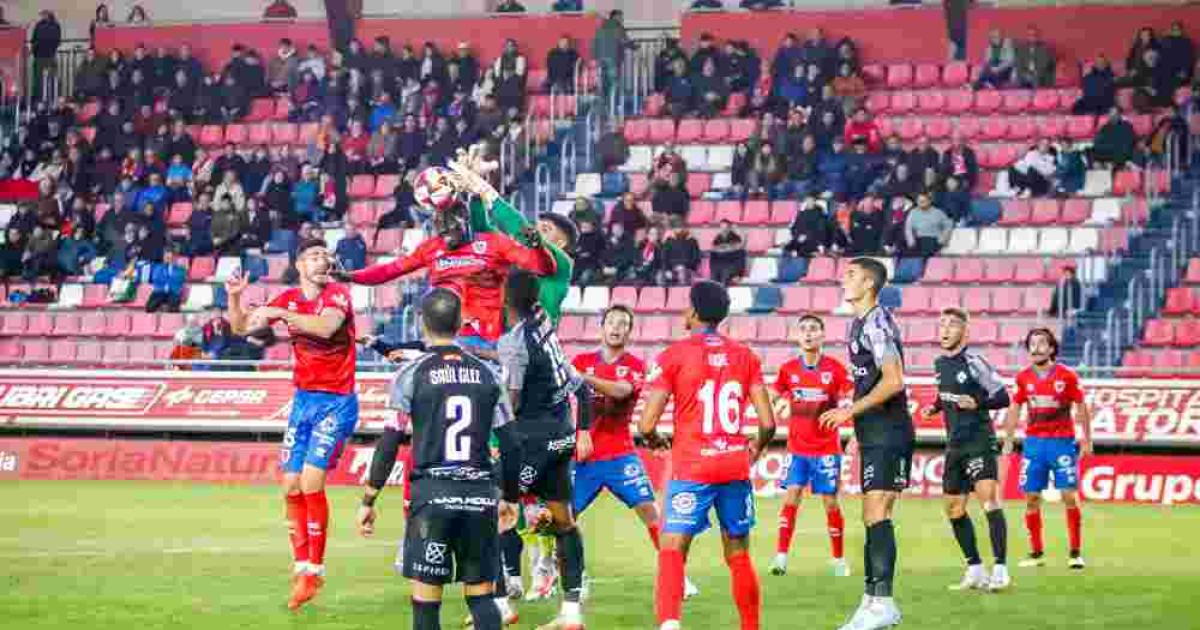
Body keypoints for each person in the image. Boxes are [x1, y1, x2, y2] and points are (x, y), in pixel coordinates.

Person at [357, 288, 522, 630]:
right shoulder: (488, 374)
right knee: (481, 598)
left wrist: (370, 497)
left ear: (422, 323)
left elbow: (390, 441)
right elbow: (510, 443)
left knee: (426, 604)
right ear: (461, 323)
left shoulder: (411, 374)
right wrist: (509, 497)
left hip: (432, 497)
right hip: (479, 495)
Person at [225, 238, 358, 610]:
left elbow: (327, 329)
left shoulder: (337, 295)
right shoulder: (286, 298)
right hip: (303, 402)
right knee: (289, 486)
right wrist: (236, 299)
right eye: (313, 256)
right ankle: (301, 566)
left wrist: (282, 316)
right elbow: (240, 329)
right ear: (299, 265)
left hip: (337, 402)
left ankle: (315, 570)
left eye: (324, 255)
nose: (321, 260)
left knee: (311, 481)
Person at [639, 280, 775, 630]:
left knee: (673, 547)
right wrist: (755, 448)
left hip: (692, 465)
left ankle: (670, 624)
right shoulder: (745, 356)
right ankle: (750, 627)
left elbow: (647, 423)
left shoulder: (674, 355)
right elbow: (768, 422)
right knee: (738, 552)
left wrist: (655, 439)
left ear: (696, 312)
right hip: (733, 464)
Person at [571, 305, 699, 602]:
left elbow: (621, 391)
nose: (617, 328)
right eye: (612, 322)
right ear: (601, 327)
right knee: (564, 518)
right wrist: (579, 433)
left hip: (620, 455)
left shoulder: (635, 365)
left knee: (651, 513)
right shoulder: (581, 360)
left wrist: (582, 378)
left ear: (630, 332)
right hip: (585, 455)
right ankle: (573, 576)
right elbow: (570, 403)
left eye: (624, 324)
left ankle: (678, 576)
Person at [343, 179, 556, 351]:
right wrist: (350, 276)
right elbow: (389, 270)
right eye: (441, 233)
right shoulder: (430, 248)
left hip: (489, 340)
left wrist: (538, 247)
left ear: (465, 221)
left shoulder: (494, 243)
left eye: (451, 231)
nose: (446, 239)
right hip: (445, 339)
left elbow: (545, 269)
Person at [819, 258, 915, 630]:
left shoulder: (877, 322)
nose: (844, 280)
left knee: (878, 511)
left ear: (870, 283)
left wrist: (848, 411)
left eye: (852, 275)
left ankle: (882, 602)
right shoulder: (859, 322)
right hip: (874, 431)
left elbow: (894, 380)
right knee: (871, 512)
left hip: (889, 429)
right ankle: (873, 598)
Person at [497, 270, 593, 630]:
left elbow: (512, 402)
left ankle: (499, 605)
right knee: (565, 524)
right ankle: (570, 614)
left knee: (494, 512)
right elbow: (581, 388)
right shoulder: (544, 328)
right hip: (561, 438)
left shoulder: (515, 341)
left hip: (532, 443)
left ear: (505, 300)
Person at [921, 308, 1012, 592]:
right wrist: (935, 407)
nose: (945, 330)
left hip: (978, 441)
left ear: (964, 331)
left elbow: (1003, 396)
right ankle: (975, 568)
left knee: (988, 500)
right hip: (955, 445)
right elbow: (945, 393)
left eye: (952, 325)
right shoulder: (939, 363)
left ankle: (1000, 569)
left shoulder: (974, 362)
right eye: (942, 325)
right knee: (954, 509)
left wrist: (978, 403)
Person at [767, 314, 852, 578]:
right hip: (797, 449)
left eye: (814, 329)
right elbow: (774, 394)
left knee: (830, 502)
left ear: (822, 335)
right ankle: (781, 557)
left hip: (826, 448)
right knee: (791, 497)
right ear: (797, 336)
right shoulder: (788, 369)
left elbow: (850, 395)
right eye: (803, 329)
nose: (808, 334)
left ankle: (838, 559)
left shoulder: (835, 369)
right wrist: (779, 401)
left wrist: (846, 409)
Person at [1002, 328, 1093, 570]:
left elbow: (1081, 407)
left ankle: (1075, 552)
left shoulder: (1067, 376)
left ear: (1052, 348)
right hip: (1033, 445)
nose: (1036, 348)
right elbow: (1015, 408)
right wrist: (1009, 439)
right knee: (1031, 498)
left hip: (1062, 443)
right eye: (1032, 343)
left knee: (1069, 495)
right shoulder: (1023, 378)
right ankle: (1036, 553)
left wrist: (1086, 439)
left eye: (1041, 343)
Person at [904, 192, 953, 257]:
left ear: (929, 201)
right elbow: (908, 228)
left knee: (928, 250)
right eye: (919, 201)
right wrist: (911, 240)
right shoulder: (913, 212)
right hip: (919, 239)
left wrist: (943, 238)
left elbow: (949, 224)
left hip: (934, 239)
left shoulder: (937, 212)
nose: (920, 203)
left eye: (923, 201)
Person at [31, 11, 62, 103]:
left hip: (42, 56)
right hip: (49, 56)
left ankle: (40, 101)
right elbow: (57, 41)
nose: (42, 16)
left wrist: (35, 49)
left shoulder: (39, 25)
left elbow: (34, 40)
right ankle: (50, 101)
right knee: (49, 80)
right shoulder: (55, 26)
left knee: (40, 81)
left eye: (43, 15)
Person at [709, 220, 747, 286]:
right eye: (721, 227)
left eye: (725, 227)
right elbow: (714, 250)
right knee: (713, 279)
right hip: (719, 265)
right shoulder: (718, 237)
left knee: (725, 275)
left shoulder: (735, 237)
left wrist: (738, 274)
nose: (723, 229)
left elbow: (736, 251)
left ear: (729, 228)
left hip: (730, 265)